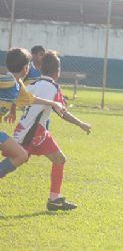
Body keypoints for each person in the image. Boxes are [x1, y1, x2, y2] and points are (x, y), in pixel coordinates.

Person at [13, 50, 92, 211]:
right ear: (57, 71)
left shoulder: (32, 85)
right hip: (31, 134)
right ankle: (54, 198)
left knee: (59, 159)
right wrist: (81, 124)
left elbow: (22, 104)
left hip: (34, 131)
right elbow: (62, 113)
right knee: (13, 162)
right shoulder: (53, 87)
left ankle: (54, 199)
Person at [0, 48, 64, 178]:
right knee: (21, 155)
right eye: (29, 65)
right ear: (25, 68)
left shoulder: (18, 85)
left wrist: (53, 103)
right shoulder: (8, 80)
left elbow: (31, 99)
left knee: (21, 155)